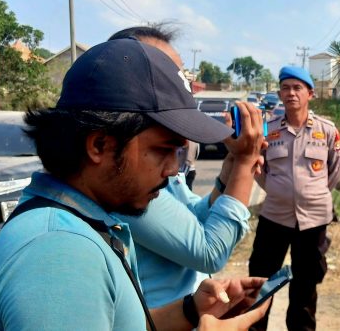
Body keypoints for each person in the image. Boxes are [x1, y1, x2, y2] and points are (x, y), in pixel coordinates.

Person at [0, 38, 270, 330]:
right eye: (163, 150)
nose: (171, 170)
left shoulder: (79, 222)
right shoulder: (59, 254)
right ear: (99, 145)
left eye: (178, 153)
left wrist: (192, 311)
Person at [106, 25, 260, 308]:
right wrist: (245, 163)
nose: (172, 169)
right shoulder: (123, 174)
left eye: (180, 75)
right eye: (164, 72)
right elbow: (209, 251)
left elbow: (192, 217)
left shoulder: (150, 155)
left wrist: (229, 172)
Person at [249, 66, 340, 331]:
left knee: (305, 284)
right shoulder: (270, 131)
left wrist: (311, 194)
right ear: (280, 93)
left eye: (297, 88)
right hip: (274, 217)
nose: (291, 93)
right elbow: (259, 169)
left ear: (310, 94)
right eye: (286, 88)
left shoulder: (326, 131)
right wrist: (279, 191)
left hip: (313, 221)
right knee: (260, 282)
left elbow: (335, 173)